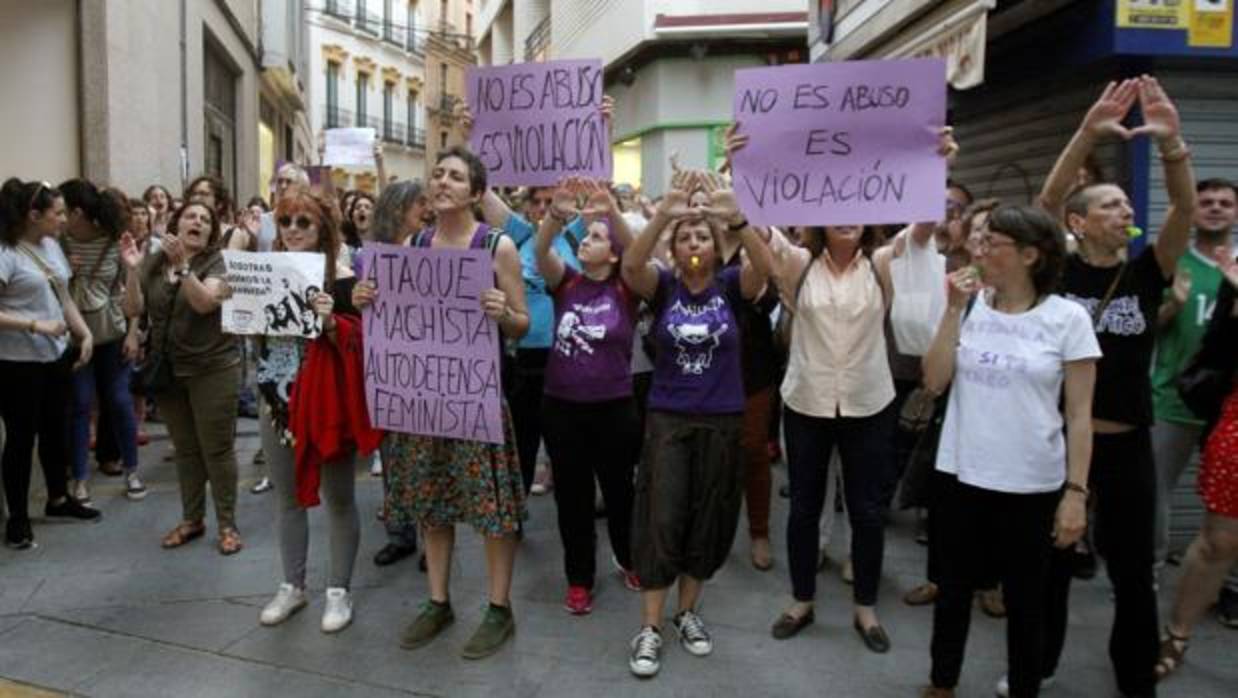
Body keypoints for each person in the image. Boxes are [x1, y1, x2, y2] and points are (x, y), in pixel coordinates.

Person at [1035, 75, 1194, 698]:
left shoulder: (1148, 271)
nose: (1125, 212)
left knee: (1132, 573)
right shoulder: (1058, 270)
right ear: (1079, 222)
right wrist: (1085, 134)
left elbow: (1182, 211)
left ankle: (1135, 678)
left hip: (1128, 442)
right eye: (1109, 205)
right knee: (1049, 565)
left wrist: (1172, 146)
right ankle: (1035, 667)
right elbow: (1045, 205)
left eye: (1126, 206)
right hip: (1059, 441)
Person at [352, 146, 530, 659]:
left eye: (454, 176)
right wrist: (366, 299)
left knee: (493, 511)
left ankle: (499, 608)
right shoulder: (414, 245)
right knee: (431, 505)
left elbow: (523, 323)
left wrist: (503, 313)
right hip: (425, 400)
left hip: (476, 397)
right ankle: (438, 601)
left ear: (476, 193)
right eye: (437, 174)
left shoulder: (496, 247)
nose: (442, 182)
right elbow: (394, 316)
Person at [919, 205, 1099, 698]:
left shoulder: (1067, 319)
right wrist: (952, 310)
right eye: (979, 240)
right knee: (953, 591)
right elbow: (933, 381)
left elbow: (1079, 415)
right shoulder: (969, 307)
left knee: (1027, 601)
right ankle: (942, 682)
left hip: (1032, 482)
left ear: (1029, 255)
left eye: (990, 242)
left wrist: (1075, 493)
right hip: (961, 473)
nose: (977, 250)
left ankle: (1024, 687)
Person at [621, 170, 772, 678]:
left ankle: (687, 613)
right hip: (668, 419)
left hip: (723, 420)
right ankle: (650, 626)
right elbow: (631, 265)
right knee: (661, 517)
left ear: (715, 246)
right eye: (684, 236)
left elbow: (766, 268)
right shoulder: (664, 287)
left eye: (702, 236)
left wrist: (737, 219)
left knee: (709, 516)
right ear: (674, 246)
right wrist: (664, 213)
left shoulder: (731, 285)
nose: (693, 243)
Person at [255, 186, 368, 634]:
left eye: (304, 221)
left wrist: (331, 322)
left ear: (322, 227)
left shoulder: (343, 278)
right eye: (285, 221)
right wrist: (234, 303)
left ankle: (339, 589)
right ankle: (293, 585)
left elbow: (361, 343)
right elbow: (253, 333)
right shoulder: (264, 272)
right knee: (287, 496)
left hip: (326, 402)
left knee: (338, 497)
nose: (293, 229)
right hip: (276, 398)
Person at [534, 176, 639, 615]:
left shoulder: (627, 286)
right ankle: (579, 577)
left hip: (614, 408)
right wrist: (555, 216)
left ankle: (629, 558)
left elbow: (637, 251)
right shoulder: (567, 283)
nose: (586, 242)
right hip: (562, 408)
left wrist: (610, 210)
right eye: (587, 236)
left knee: (620, 492)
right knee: (572, 498)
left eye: (596, 238)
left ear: (612, 253)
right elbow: (541, 252)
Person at [120, 199, 243, 555]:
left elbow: (204, 303)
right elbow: (133, 308)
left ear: (212, 232)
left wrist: (184, 267)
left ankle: (227, 524)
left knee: (217, 449)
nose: (198, 222)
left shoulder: (218, 262)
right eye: (191, 216)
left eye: (205, 220)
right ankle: (192, 519)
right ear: (177, 224)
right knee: (187, 450)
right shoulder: (155, 261)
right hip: (170, 370)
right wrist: (132, 271)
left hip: (213, 367)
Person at [1151, 178, 1238, 625]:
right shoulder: (1174, 262)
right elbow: (1145, 326)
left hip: (1231, 407)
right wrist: (1171, 305)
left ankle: (1227, 586)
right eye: (1206, 201)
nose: (1216, 208)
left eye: (1225, 202)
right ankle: (1148, 572)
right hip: (1175, 398)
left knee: (1229, 510)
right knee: (1154, 492)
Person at [0, 178, 102, 549]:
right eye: (57, 213)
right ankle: (18, 518)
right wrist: (35, 325)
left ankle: (58, 498)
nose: (63, 219)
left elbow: (63, 296)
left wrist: (83, 333)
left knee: (55, 429)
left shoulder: (52, 246)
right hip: (16, 363)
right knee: (20, 438)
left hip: (54, 355)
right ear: (33, 215)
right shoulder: (7, 253)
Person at [58, 180, 145, 503]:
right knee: (80, 405)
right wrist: (64, 271)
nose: (59, 216)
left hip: (112, 333)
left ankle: (132, 471)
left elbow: (130, 294)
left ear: (77, 212)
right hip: (74, 337)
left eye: (62, 210)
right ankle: (80, 479)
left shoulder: (114, 241)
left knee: (120, 401)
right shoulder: (58, 243)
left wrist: (133, 332)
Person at [366, 179, 428, 569]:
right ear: (398, 209)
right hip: (389, 369)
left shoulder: (435, 248)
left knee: (427, 460)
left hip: (429, 369)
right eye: (419, 202)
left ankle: (432, 541)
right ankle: (400, 534)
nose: (427, 208)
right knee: (393, 458)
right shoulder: (371, 256)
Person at [185, 175, 250, 252]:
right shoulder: (183, 230)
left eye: (203, 194)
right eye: (193, 194)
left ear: (219, 204)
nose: (196, 198)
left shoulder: (233, 234)